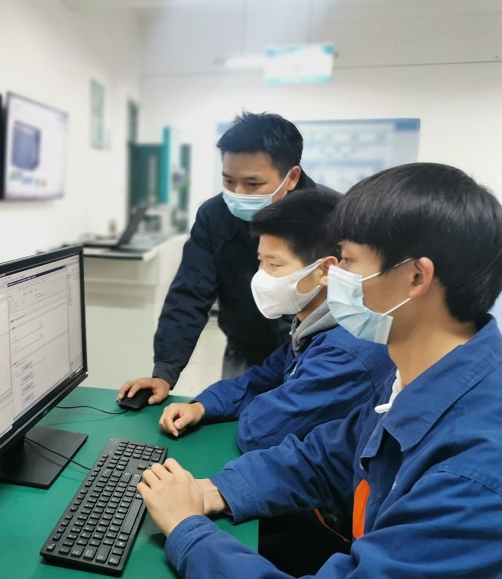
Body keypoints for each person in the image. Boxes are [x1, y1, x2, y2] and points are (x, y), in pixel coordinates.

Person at [137, 162, 502, 577]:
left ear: (416, 278)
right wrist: (215, 490)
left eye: (347, 260)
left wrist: (187, 530)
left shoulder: (474, 471)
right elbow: (325, 457)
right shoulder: (414, 375)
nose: (334, 276)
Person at [157, 189, 394, 575]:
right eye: (260, 262)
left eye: (274, 264)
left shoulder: (350, 348)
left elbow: (263, 431)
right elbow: (266, 380)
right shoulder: (313, 324)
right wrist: (204, 405)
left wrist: (190, 529)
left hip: (330, 523)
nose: (262, 277)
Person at [118, 112, 334, 407]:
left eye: (253, 184)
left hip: (316, 352)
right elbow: (189, 293)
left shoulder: (333, 215)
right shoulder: (215, 215)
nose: (238, 193)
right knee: (230, 414)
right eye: (229, 181)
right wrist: (165, 371)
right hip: (245, 348)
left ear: (292, 177)